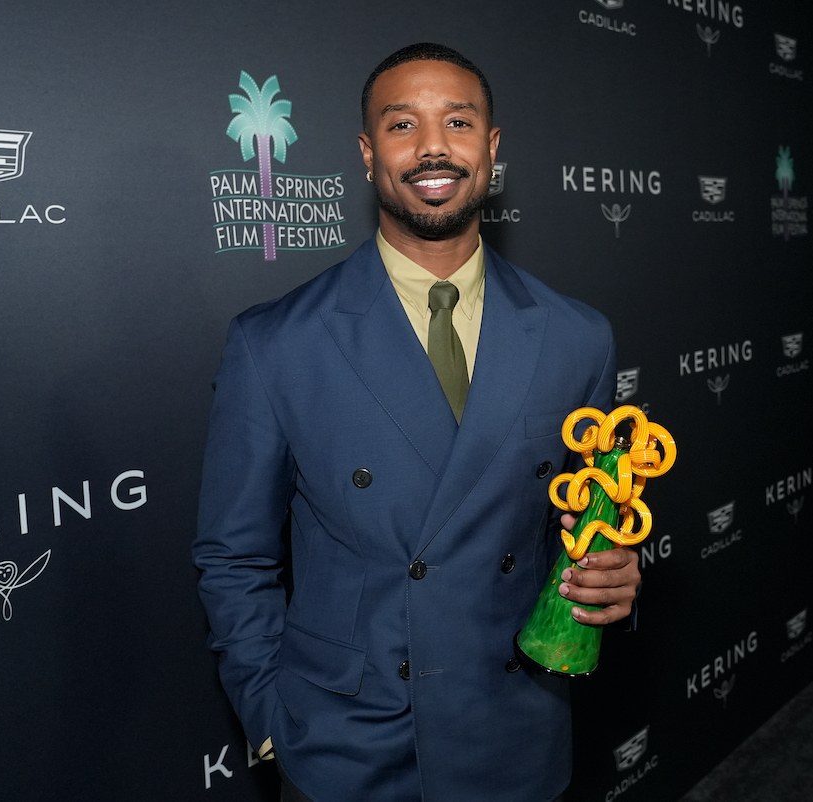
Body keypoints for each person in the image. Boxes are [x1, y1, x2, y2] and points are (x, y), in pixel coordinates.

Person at [194, 42, 641, 802]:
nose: (433, 146)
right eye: (402, 125)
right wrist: (272, 721)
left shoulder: (577, 337)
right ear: (369, 155)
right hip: (348, 747)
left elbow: (588, 520)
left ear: (491, 149)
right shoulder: (276, 343)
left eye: (458, 122)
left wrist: (614, 576)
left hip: (517, 735)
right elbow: (233, 558)